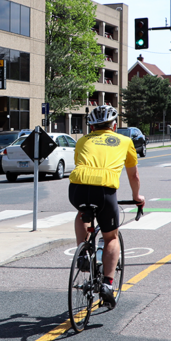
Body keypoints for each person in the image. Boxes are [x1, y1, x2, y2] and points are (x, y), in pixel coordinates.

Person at [68, 105, 145, 309]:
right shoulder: (125, 141)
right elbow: (133, 175)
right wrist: (137, 197)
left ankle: (83, 253)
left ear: (91, 126)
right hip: (104, 191)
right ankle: (107, 285)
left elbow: (81, 164)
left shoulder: (83, 140)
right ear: (115, 125)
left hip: (77, 189)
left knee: (82, 212)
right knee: (111, 237)